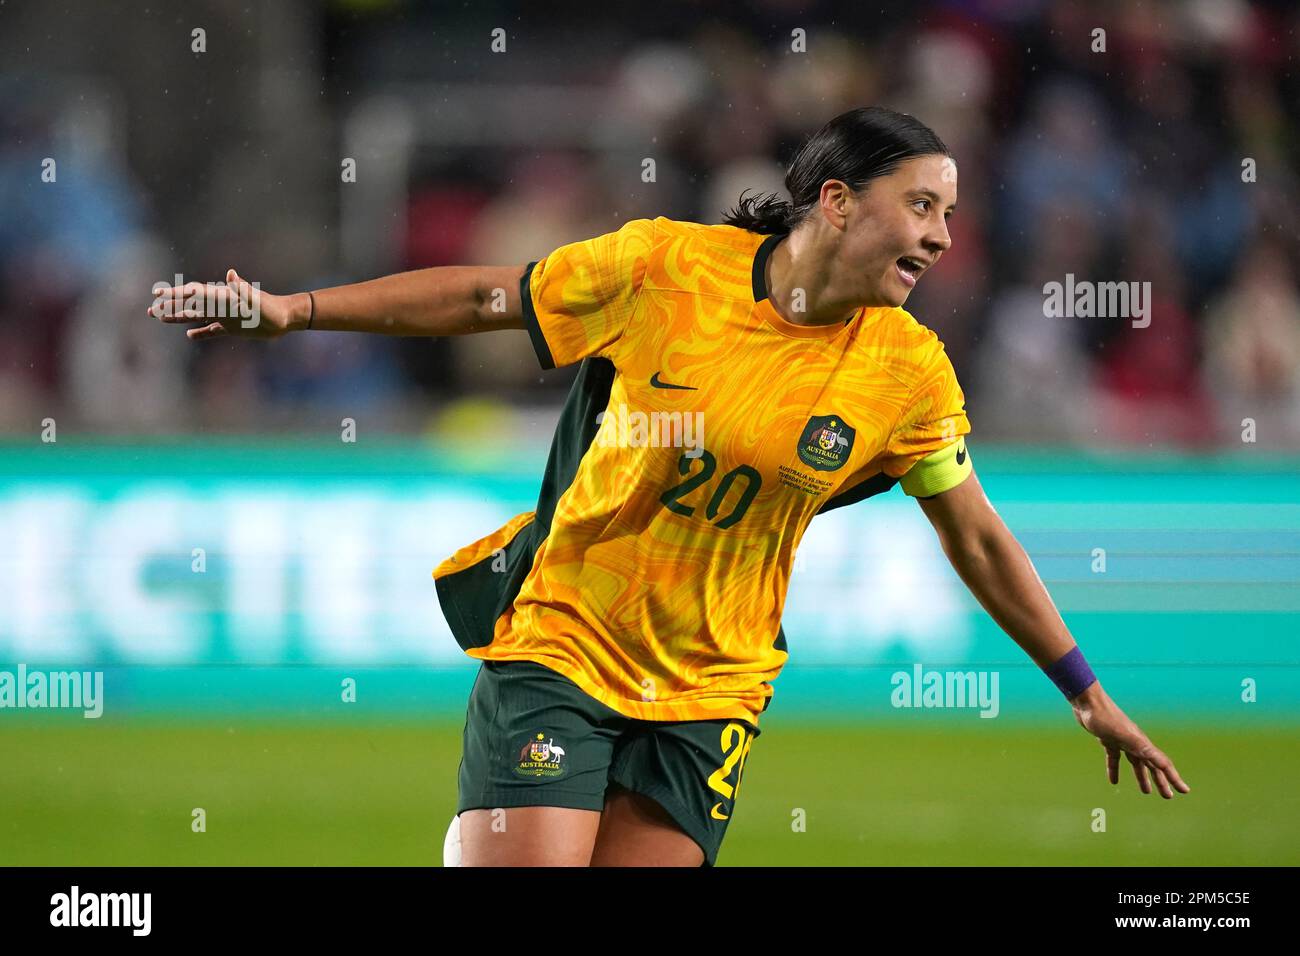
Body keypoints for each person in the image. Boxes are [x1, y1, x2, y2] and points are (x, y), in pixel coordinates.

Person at [149, 106, 1189, 867]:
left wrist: (1084, 691)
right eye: (920, 205)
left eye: (950, 214)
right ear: (836, 203)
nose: (941, 235)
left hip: (710, 689)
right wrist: (294, 310)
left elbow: (976, 536)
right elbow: (482, 294)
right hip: (567, 636)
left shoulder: (908, 369)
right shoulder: (661, 269)